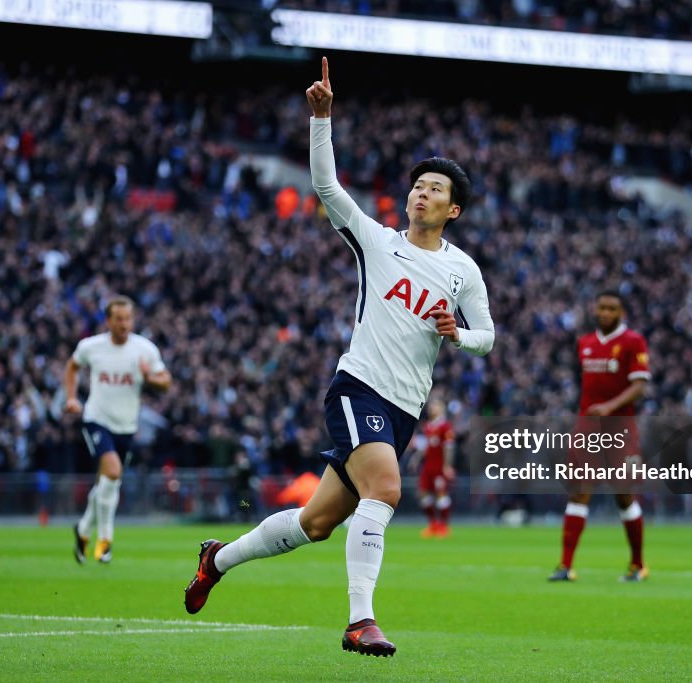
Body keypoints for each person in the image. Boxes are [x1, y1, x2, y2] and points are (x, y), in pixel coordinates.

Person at [183, 56, 495, 657]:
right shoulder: (377, 241)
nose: (421, 192)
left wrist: (458, 333)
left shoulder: (463, 270)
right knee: (387, 489)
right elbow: (326, 188)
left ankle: (217, 558)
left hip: (403, 408)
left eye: (435, 189)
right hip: (359, 387)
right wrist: (320, 119)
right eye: (418, 184)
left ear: (453, 210)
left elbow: (487, 335)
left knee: (315, 523)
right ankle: (360, 621)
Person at [548, 290, 651, 583]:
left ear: (621, 313)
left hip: (620, 428)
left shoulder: (633, 342)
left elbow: (640, 385)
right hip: (587, 429)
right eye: (602, 307)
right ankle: (566, 566)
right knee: (579, 492)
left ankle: (637, 565)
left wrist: (609, 406)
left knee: (624, 495)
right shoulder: (585, 344)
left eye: (612, 308)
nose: (606, 313)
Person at [64, 295, 171, 564]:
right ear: (108, 321)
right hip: (97, 419)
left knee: (107, 482)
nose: (124, 324)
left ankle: (82, 529)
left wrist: (149, 378)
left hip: (126, 426)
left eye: (128, 319)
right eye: (118, 319)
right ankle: (106, 539)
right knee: (113, 471)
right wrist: (71, 398)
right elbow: (72, 366)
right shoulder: (92, 346)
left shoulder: (144, 349)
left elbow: (165, 382)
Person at [405, 397, 456, 538]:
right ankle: (433, 524)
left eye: (435, 405)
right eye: (431, 405)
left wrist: (447, 465)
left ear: (441, 408)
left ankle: (443, 526)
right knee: (422, 494)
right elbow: (426, 446)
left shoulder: (445, 426)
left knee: (441, 494)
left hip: (440, 466)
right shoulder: (428, 426)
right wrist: (416, 459)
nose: (431, 407)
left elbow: (449, 447)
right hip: (428, 466)